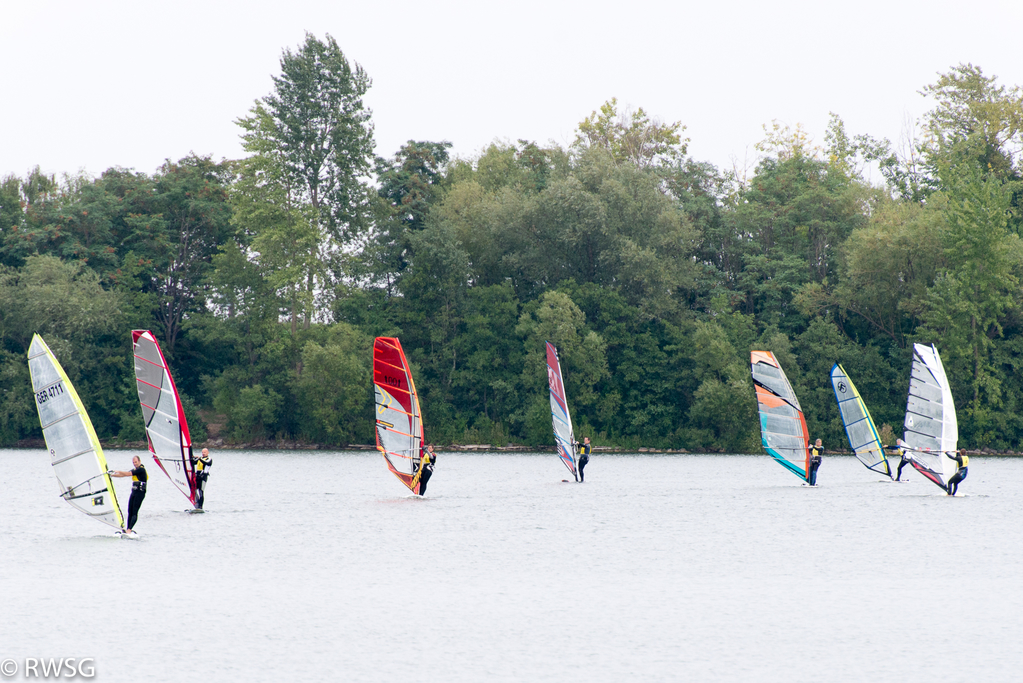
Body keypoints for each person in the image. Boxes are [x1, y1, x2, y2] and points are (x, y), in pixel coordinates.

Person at [111, 456, 147, 533]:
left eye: (136, 462)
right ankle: (127, 529)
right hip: (134, 492)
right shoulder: (135, 470)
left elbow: (127, 474)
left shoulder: (141, 469)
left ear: (139, 461)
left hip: (140, 492)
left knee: (134, 511)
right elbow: (123, 475)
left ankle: (129, 529)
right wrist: (112, 475)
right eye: (133, 462)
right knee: (129, 510)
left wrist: (117, 470)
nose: (134, 464)